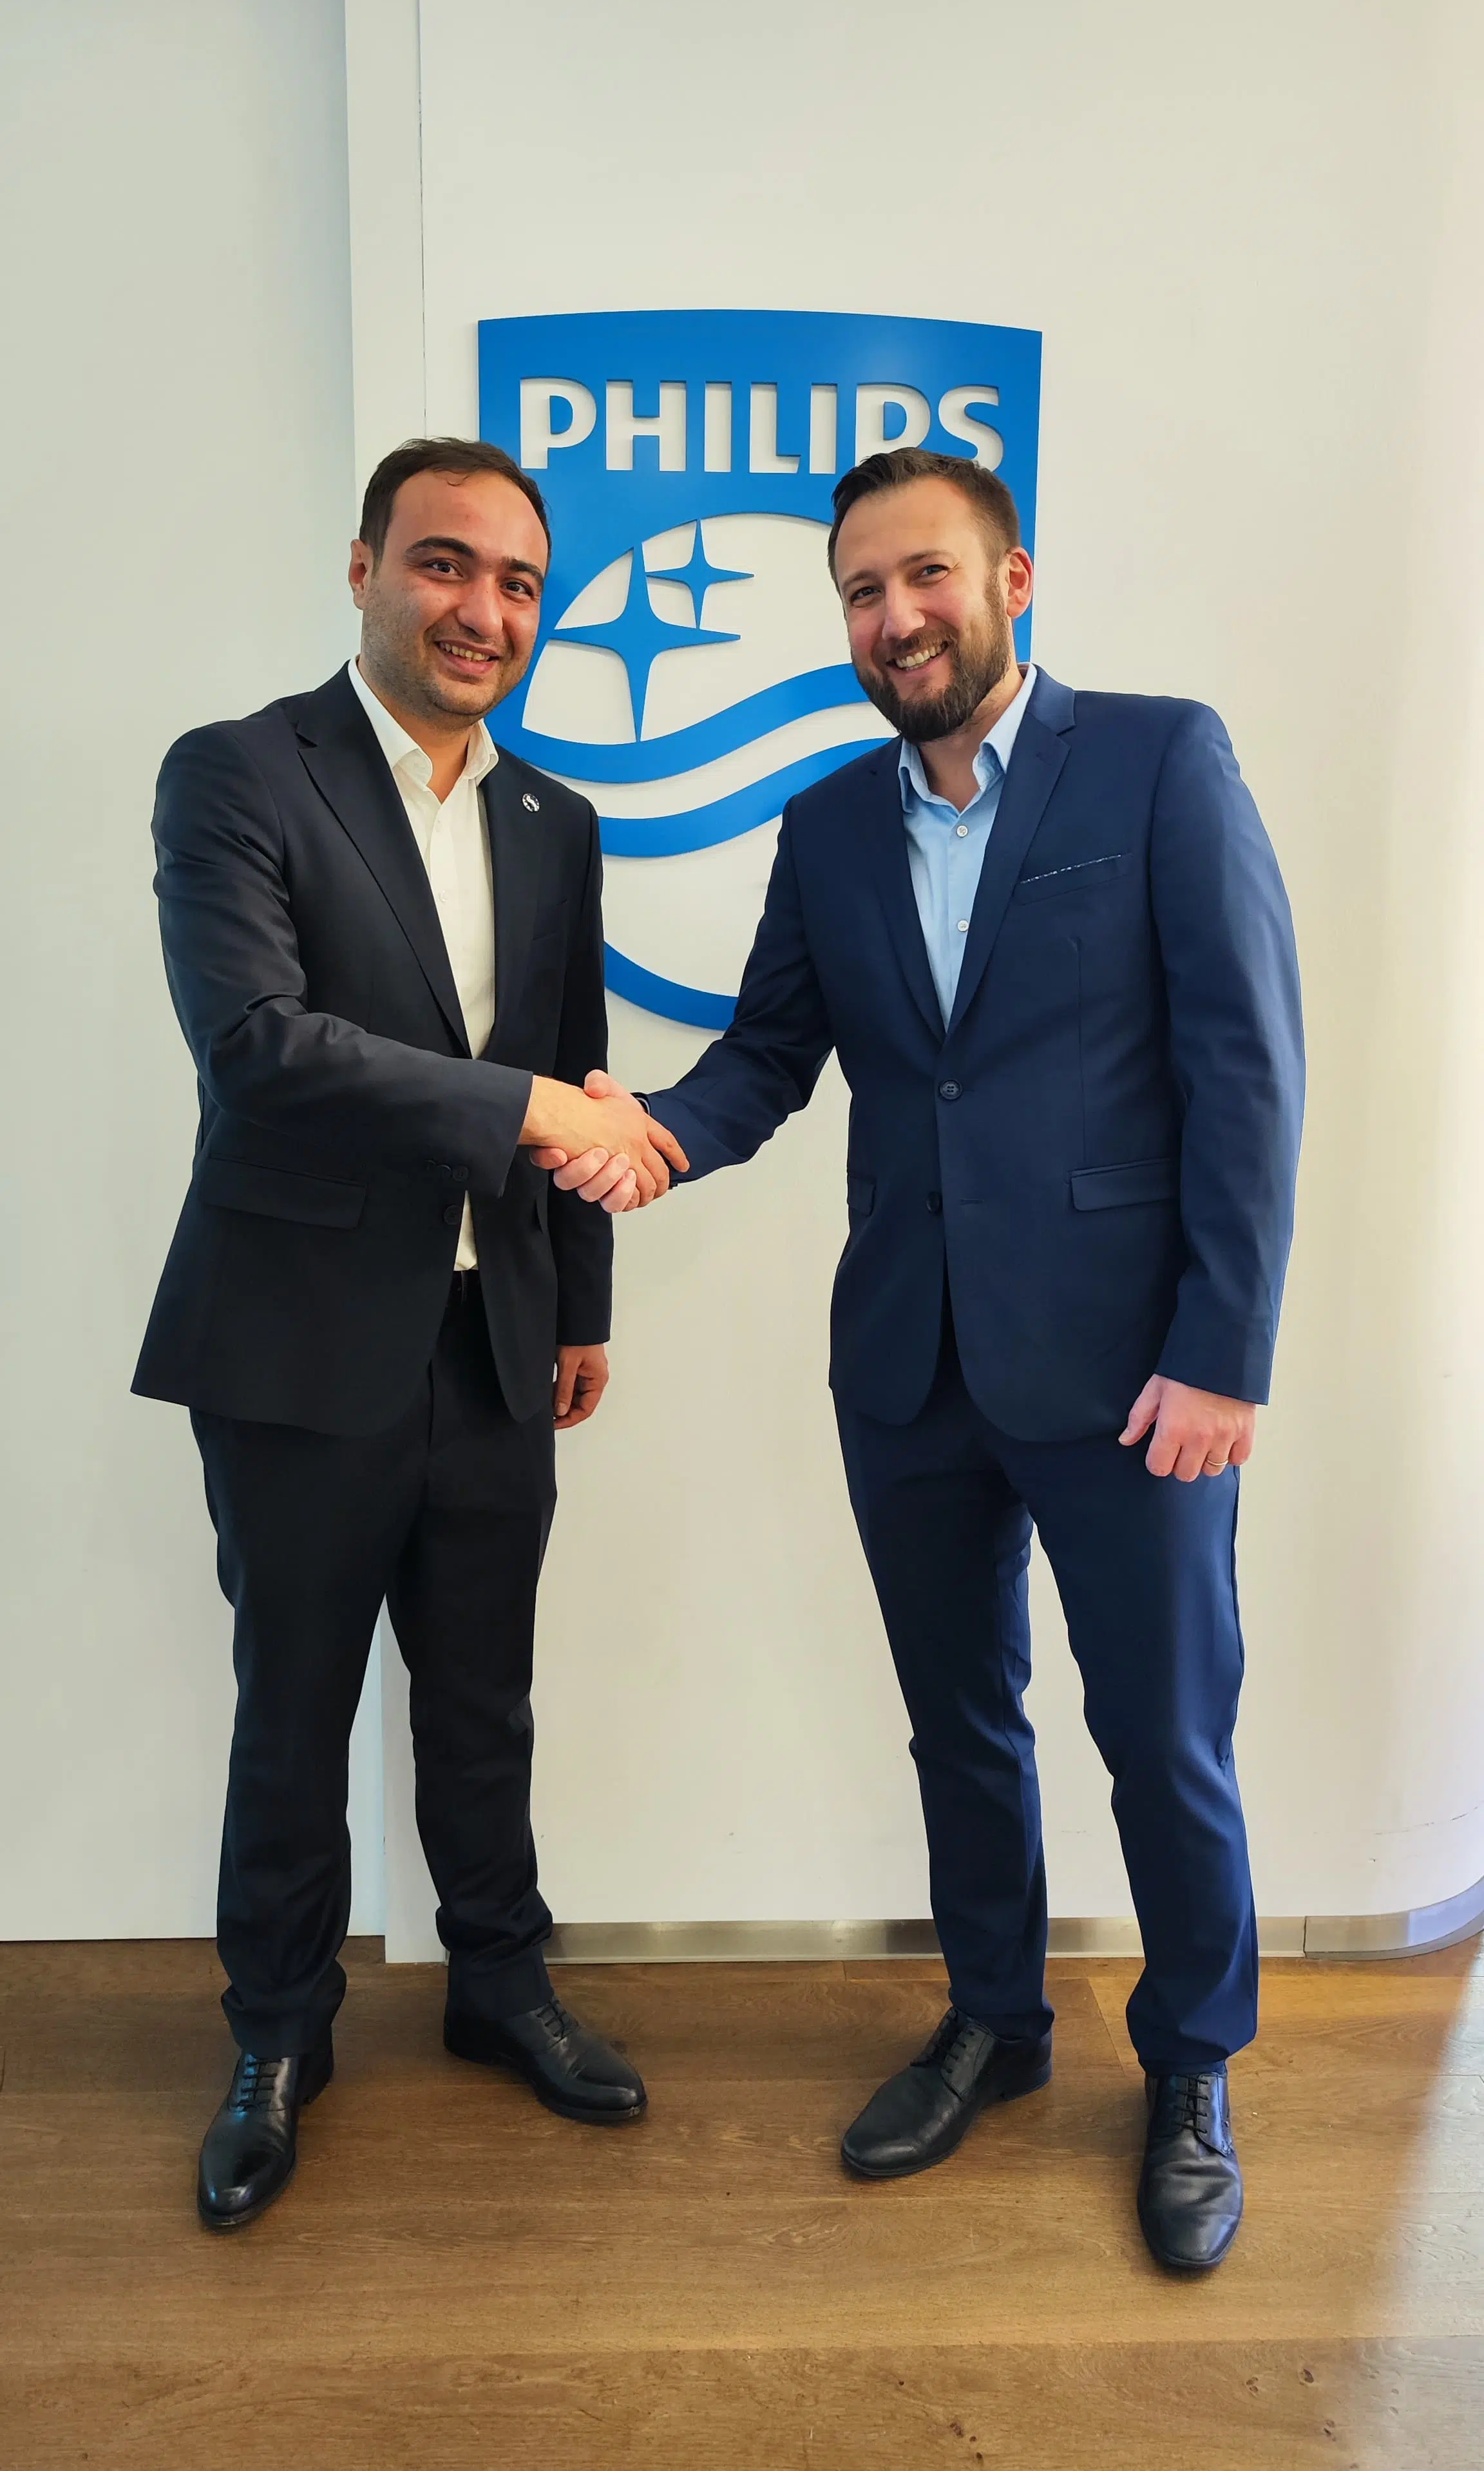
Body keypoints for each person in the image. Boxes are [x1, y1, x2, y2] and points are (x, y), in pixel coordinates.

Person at [542, 445, 1304, 2273]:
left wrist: (1223, 1352)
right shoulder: (826, 824)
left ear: (1011, 580)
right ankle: (996, 2020)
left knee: (1164, 1737)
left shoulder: (1160, 761)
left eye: (926, 577)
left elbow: (1247, 1067)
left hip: (1134, 1378)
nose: (895, 618)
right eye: (863, 594)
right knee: (960, 1721)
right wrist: (648, 1136)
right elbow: (769, 1056)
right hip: (909, 1362)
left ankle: (1191, 2068)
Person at [135, 437, 685, 2230]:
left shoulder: (554, 822)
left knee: (483, 1694)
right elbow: (261, 1051)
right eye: (446, 564)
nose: (483, 611)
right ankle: (277, 2036)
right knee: (292, 1707)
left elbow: (577, 1061)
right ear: (365, 566)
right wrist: (526, 1111)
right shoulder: (238, 772)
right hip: (298, 1339)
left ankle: (499, 1985)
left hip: (496, 1337)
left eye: (519, 583)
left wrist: (581, 1302)